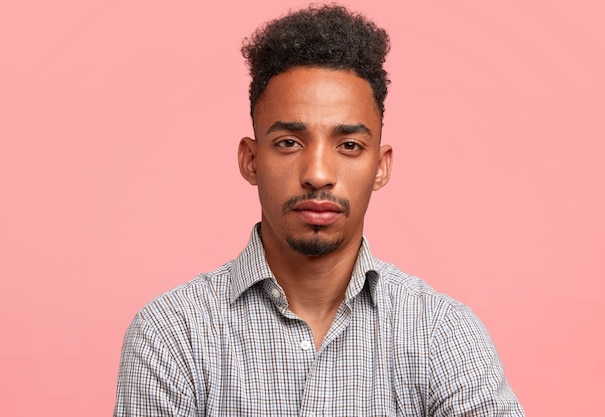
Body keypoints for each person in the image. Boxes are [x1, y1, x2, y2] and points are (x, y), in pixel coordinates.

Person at [114, 4, 524, 416]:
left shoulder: (442, 334)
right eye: (290, 142)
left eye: (349, 146)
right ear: (251, 160)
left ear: (380, 167)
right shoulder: (171, 335)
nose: (318, 174)